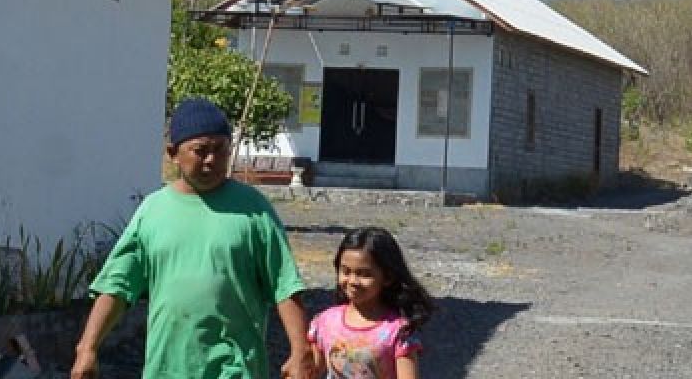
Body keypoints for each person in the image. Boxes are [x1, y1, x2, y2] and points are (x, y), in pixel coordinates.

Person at [70, 97, 315, 379]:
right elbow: (117, 284)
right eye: (201, 151)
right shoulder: (153, 210)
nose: (212, 160)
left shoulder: (253, 209)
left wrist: (300, 351)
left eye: (220, 150)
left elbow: (284, 284)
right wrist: (87, 347)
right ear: (173, 153)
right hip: (167, 367)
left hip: (234, 368)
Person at [307, 227, 433, 379]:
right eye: (346, 271)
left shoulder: (397, 331)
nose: (353, 281)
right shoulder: (325, 322)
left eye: (364, 274)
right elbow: (309, 371)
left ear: (387, 277)